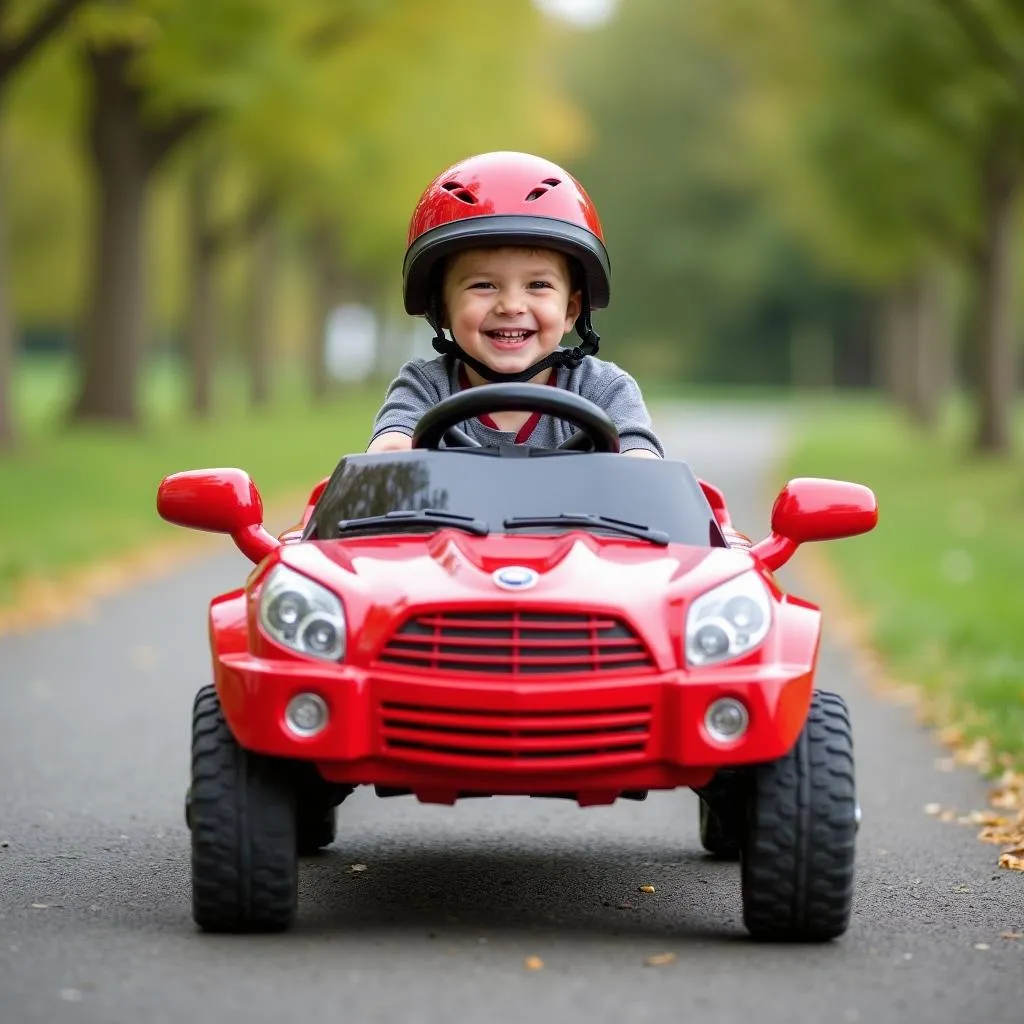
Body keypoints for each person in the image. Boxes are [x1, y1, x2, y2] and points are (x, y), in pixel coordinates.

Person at [367, 151, 664, 458]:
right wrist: (393, 452)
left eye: (538, 285)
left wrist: (635, 458)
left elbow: (643, 468)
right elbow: (388, 455)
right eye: (484, 285)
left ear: (571, 311)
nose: (511, 306)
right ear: (441, 308)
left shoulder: (602, 389)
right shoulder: (426, 388)